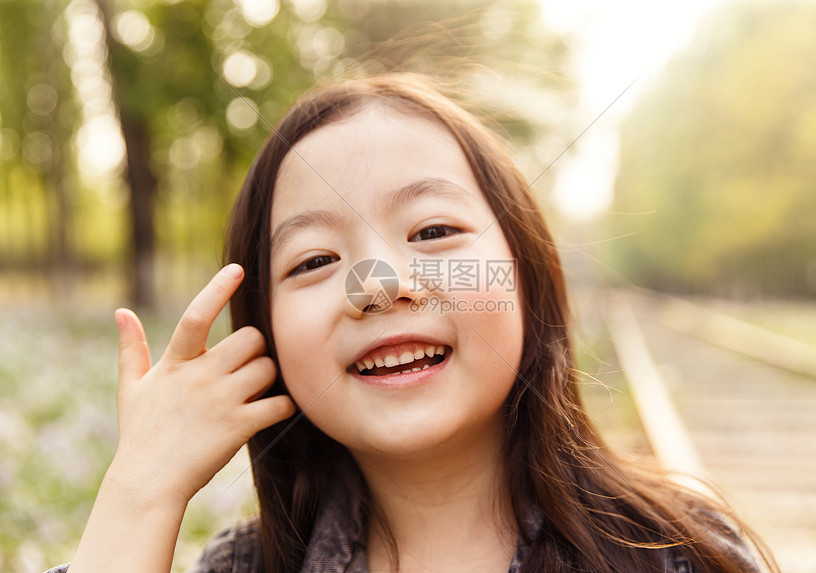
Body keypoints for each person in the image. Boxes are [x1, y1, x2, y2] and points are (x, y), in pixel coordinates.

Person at [50, 73, 778, 572]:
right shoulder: (243, 567)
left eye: (431, 231)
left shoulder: (681, 553)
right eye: (313, 260)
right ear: (264, 336)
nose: (380, 284)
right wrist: (139, 492)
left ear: (523, 272)